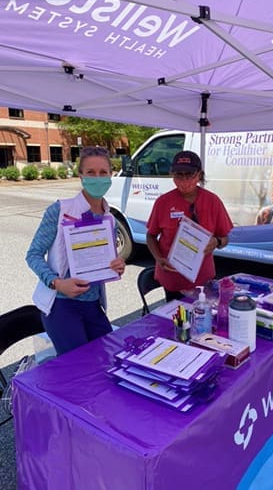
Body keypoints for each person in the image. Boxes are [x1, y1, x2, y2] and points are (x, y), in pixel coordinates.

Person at [26, 146, 126, 355]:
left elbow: (106, 260)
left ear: (111, 175)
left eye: (103, 173)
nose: (97, 178)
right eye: (90, 173)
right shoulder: (59, 211)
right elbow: (33, 255)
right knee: (77, 368)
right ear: (80, 175)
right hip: (62, 307)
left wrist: (117, 265)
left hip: (93, 305)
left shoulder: (110, 219)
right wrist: (58, 283)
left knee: (106, 358)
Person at [146, 150, 233, 301]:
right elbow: (151, 235)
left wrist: (217, 242)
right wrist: (159, 258)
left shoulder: (213, 201)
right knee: (177, 319)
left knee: (203, 319)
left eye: (190, 175)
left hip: (203, 279)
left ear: (199, 175)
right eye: (179, 175)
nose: (184, 180)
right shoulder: (163, 202)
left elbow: (225, 238)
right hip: (173, 278)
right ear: (172, 175)